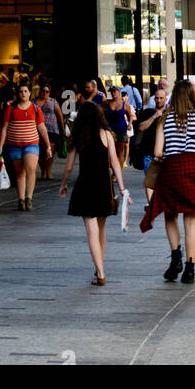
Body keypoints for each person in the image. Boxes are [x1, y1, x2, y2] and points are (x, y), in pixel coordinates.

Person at [140, 79, 195, 286]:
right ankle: (190, 268)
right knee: (191, 220)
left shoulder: (165, 119)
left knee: (170, 215)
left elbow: (158, 152)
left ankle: (175, 257)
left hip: (173, 170)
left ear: (173, 97)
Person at [59, 99, 124, 286]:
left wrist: (63, 184)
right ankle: (99, 268)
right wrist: (121, 187)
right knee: (101, 230)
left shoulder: (78, 135)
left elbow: (69, 167)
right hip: (103, 185)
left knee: (91, 230)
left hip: (85, 185)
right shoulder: (107, 134)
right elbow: (115, 163)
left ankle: (100, 272)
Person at [0, 78, 53, 211]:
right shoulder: (11, 108)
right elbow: (4, 128)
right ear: (18, 94)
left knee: (30, 169)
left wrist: (48, 145)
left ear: (29, 94)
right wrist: (0, 146)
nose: (23, 94)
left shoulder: (35, 109)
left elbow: (42, 128)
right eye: (21, 91)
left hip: (32, 144)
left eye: (25, 91)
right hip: (14, 144)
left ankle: (29, 198)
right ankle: (21, 199)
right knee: (19, 172)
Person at [135, 85, 168, 200]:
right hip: (148, 153)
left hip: (165, 153)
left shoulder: (169, 114)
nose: (158, 100)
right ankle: (151, 205)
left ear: (166, 98)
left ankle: (158, 202)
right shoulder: (147, 112)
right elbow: (141, 128)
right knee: (149, 181)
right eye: (157, 98)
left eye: (161, 98)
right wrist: (154, 116)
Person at [36, 84, 66, 178]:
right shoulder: (34, 102)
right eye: (43, 91)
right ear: (40, 92)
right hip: (38, 129)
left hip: (52, 129)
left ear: (49, 92)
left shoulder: (53, 102)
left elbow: (59, 115)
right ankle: (43, 171)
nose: (45, 93)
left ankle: (48, 171)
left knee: (50, 150)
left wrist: (62, 129)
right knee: (41, 151)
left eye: (47, 91)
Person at [104, 85, 135, 167]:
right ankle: (111, 170)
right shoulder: (107, 103)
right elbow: (101, 114)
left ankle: (117, 173)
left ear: (119, 92)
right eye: (111, 91)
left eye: (114, 91)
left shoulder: (125, 104)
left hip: (121, 129)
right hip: (110, 130)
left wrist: (130, 123)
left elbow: (130, 115)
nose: (113, 93)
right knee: (110, 151)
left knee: (120, 152)